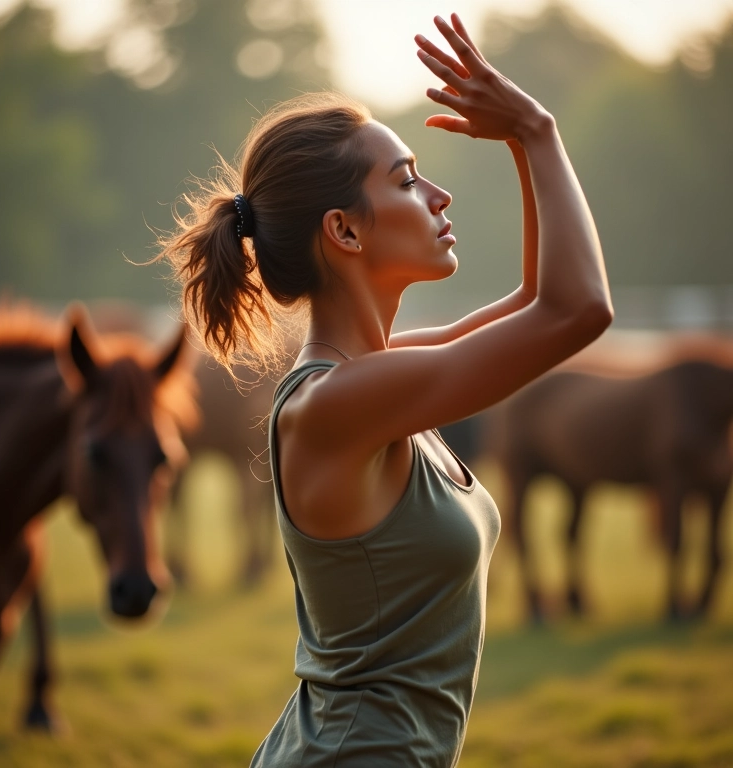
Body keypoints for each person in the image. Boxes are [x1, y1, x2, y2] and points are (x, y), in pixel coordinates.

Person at [160, 12, 612, 767]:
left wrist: (518, 141)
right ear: (344, 231)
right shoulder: (338, 403)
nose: (439, 197)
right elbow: (578, 310)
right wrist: (536, 129)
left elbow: (544, 298)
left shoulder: (379, 377)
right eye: (406, 180)